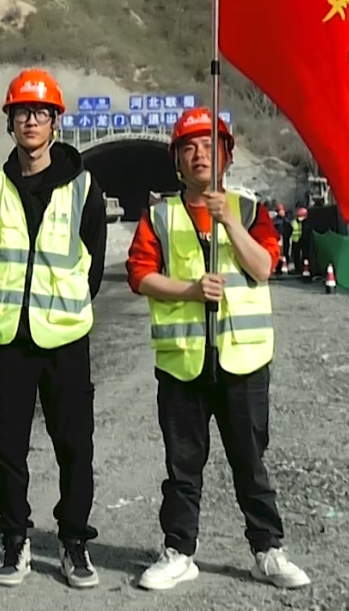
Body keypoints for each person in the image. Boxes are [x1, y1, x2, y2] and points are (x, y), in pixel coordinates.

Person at [126, 107, 311, 591]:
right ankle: (179, 551)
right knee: (182, 467)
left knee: (250, 461)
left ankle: (267, 550)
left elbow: (264, 266)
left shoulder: (249, 211)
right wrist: (189, 290)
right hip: (183, 362)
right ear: (177, 161)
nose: (199, 155)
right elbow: (140, 275)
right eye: (189, 148)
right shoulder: (159, 217)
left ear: (227, 155)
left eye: (209, 146)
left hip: (243, 359)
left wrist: (229, 221)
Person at [0, 69, 108, 589]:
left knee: (74, 447)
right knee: (6, 447)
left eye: (40, 112)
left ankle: (73, 542)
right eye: (22, 112)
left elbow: (92, 266)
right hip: (10, 340)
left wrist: (58, 307)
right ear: (10, 121)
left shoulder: (85, 188)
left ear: (55, 122)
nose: (31, 120)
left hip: (66, 340)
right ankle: (14, 538)